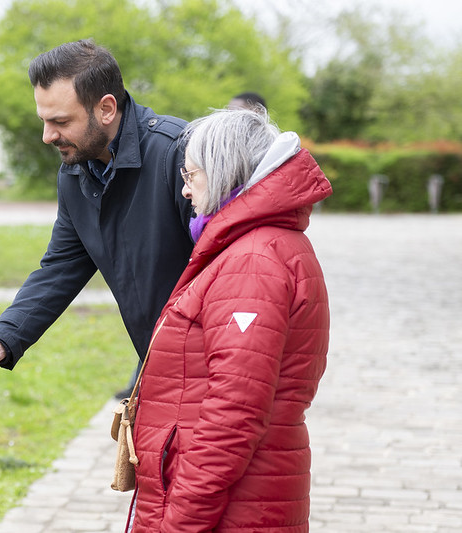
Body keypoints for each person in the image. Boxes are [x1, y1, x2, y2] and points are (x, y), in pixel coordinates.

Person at [0, 40, 194, 386]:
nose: (47, 136)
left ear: (106, 108)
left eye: (60, 121)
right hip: (159, 362)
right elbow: (60, 268)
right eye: (44, 121)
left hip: (217, 364)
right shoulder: (75, 174)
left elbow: (233, 274)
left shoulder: (181, 156)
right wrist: (1, 342)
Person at [127, 108, 332, 532]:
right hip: (243, 497)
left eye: (191, 176)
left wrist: (179, 524)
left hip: (233, 508)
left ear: (222, 172)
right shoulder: (252, 246)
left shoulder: (252, 261)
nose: (184, 191)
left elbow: (234, 415)